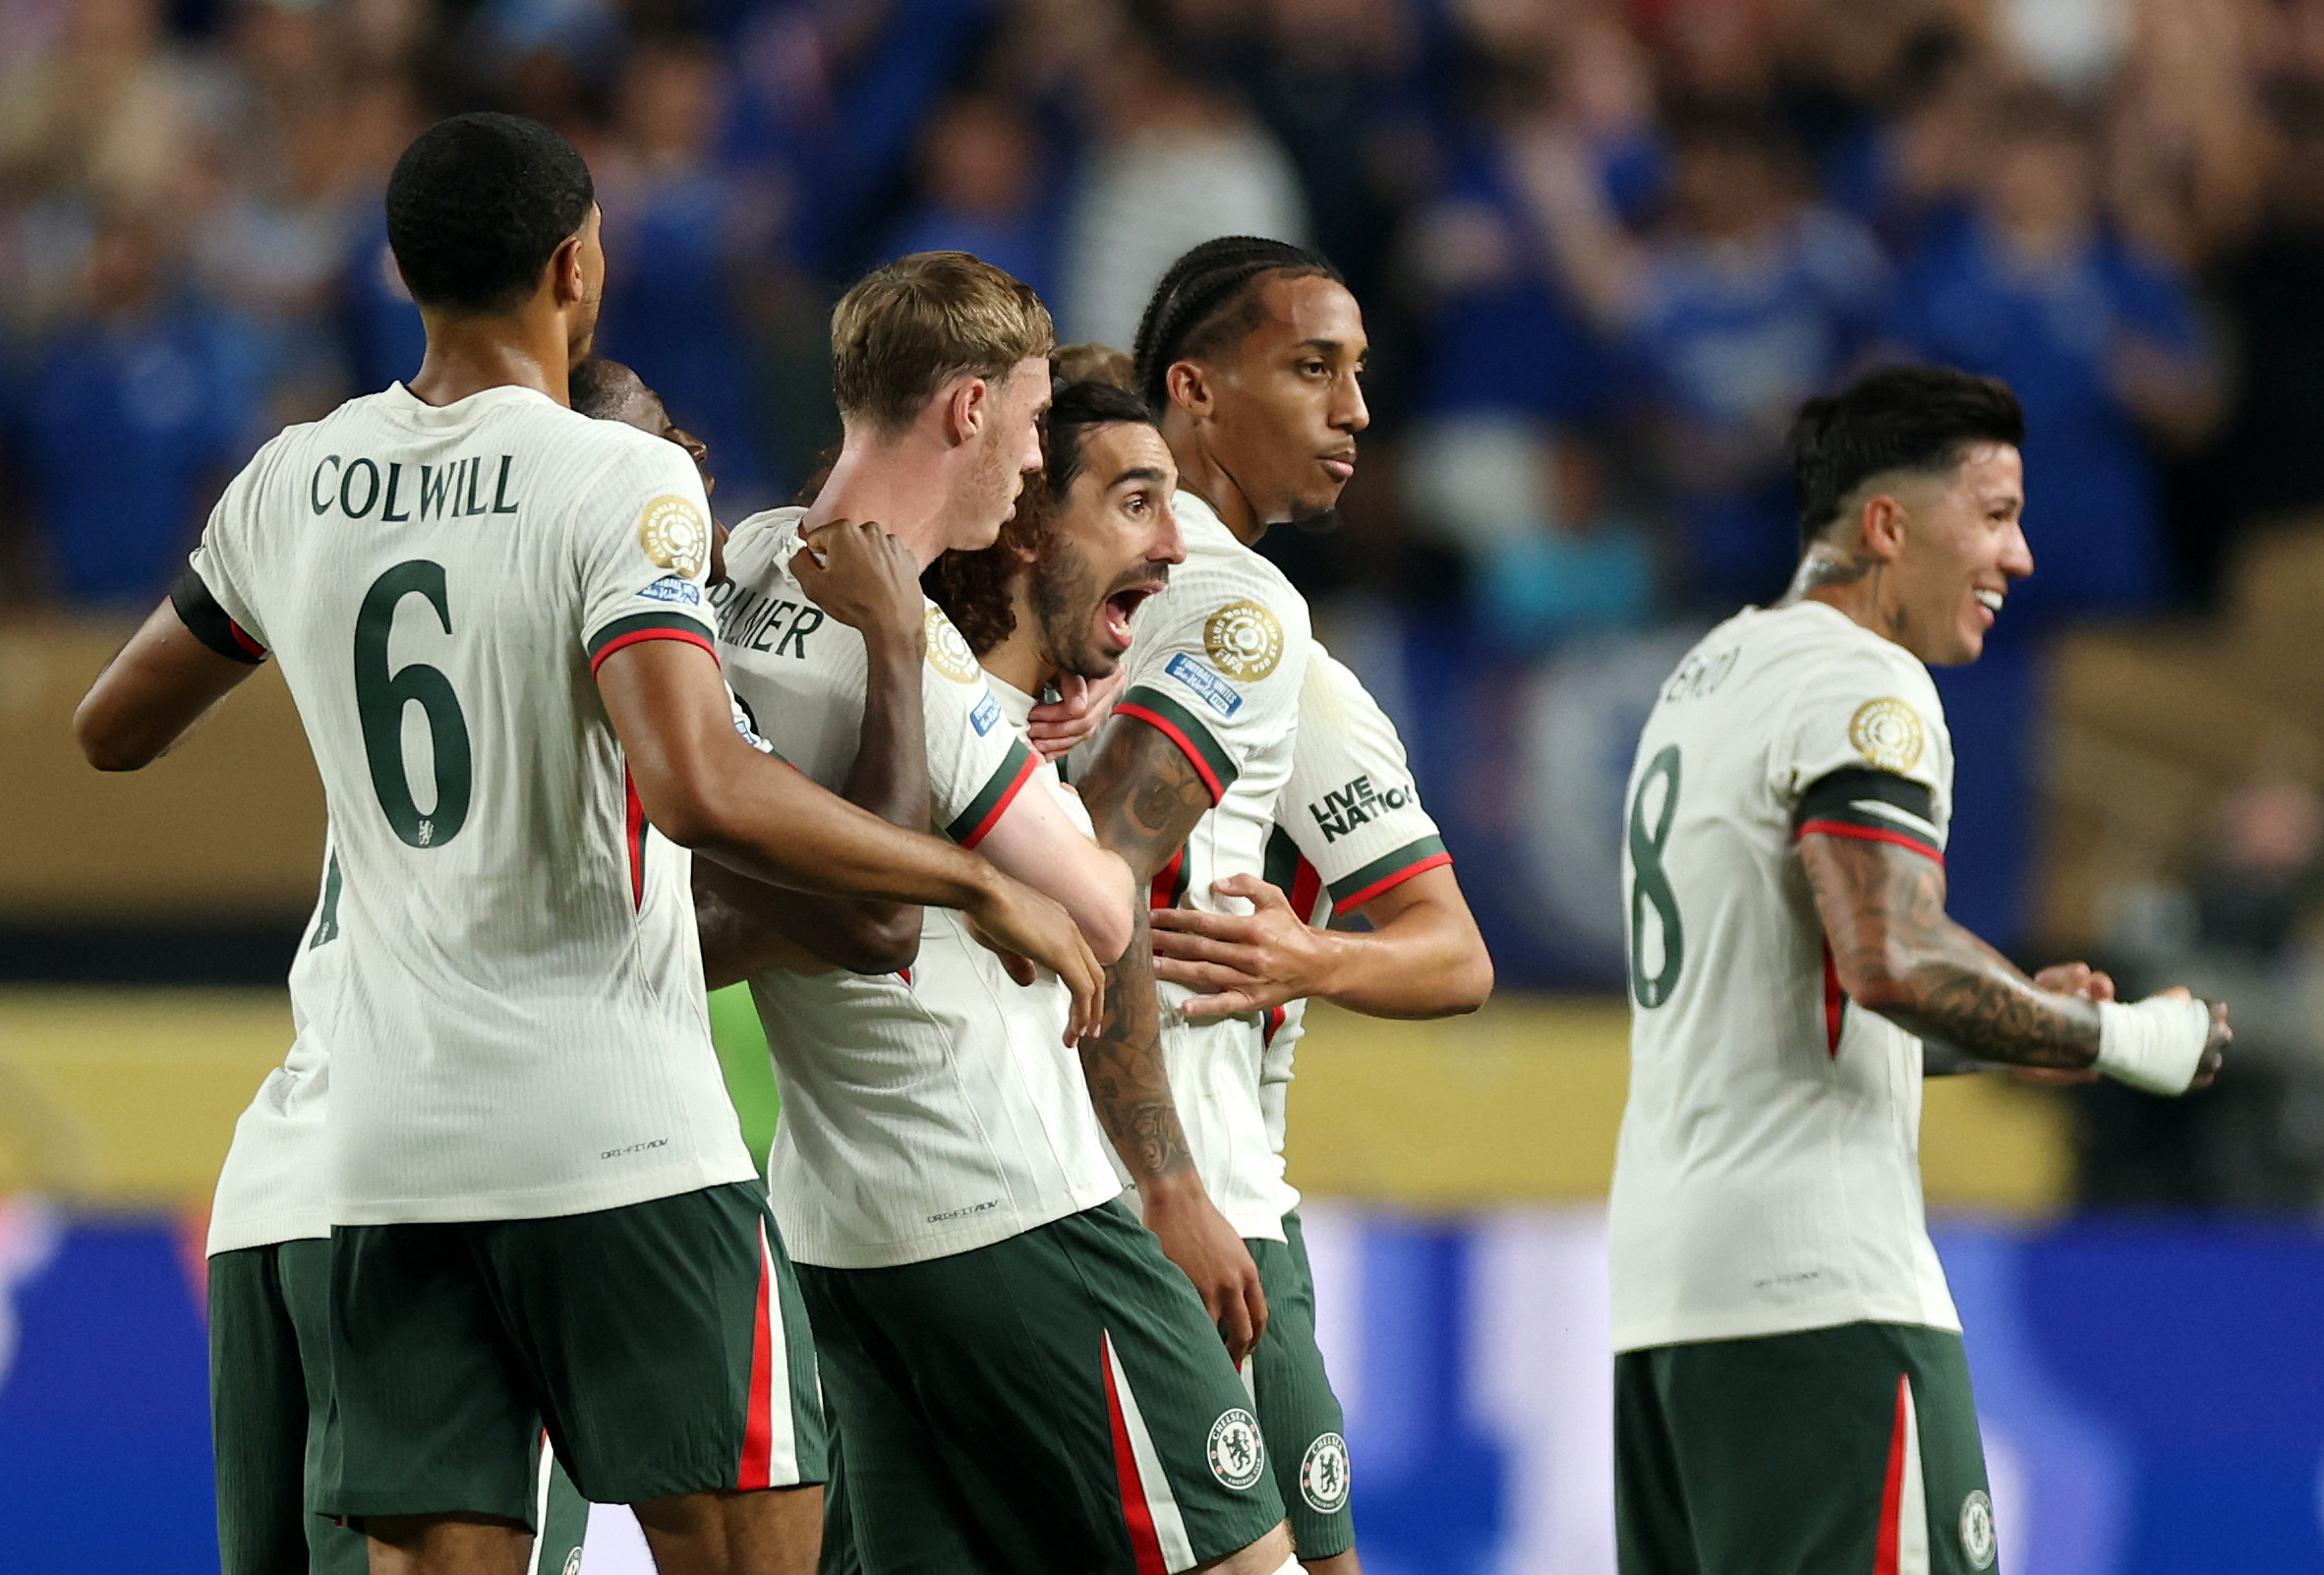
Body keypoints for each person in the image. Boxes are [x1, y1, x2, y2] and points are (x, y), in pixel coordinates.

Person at [72, 114, 1099, 1575]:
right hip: (612, 1131)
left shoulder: (290, 480)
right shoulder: (618, 477)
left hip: (384, 1150)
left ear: (402, 273)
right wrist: (975, 877)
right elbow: (696, 784)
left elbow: (113, 728)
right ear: (574, 268)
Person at [710, 253, 1299, 1575]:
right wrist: (1009, 789)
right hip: (1011, 1201)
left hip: (837, 1235)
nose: (1033, 458)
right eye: (1033, 422)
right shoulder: (921, 664)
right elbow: (1101, 901)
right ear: (969, 410)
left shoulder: (744, 564)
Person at [1608, 363, 2231, 1575]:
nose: (2021, 556)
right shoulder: (1862, 678)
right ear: (1888, 526)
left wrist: (2019, 1020)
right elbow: (1889, 956)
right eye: (1995, 515)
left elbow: (1790, 991)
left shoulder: (1707, 676)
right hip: (1822, 1292)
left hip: (1668, 1304)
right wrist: (2124, 1041)